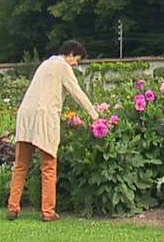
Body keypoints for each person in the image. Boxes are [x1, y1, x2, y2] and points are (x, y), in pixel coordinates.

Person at [7, 40, 99, 222]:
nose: (76, 64)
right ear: (71, 54)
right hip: (44, 117)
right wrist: (94, 114)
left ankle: (13, 207)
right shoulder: (63, 67)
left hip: (25, 116)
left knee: (20, 166)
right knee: (49, 166)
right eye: (77, 60)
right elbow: (76, 92)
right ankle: (48, 211)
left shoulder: (45, 64)